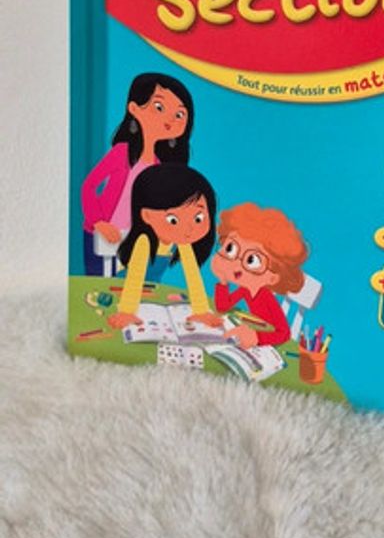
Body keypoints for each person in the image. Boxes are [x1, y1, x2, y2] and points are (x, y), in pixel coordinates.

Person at [80, 72, 194, 276]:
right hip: (104, 234)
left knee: (136, 287)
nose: (170, 119)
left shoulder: (161, 167)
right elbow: (89, 186)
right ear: (134, 108)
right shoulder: (121, 153)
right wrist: (98, 222)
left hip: (137, 239)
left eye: (179, 114)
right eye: (159, 107)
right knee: (100, 285)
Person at [108, 164, 220, 330]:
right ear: (147, 215)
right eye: (173, 220)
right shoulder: (144, 242)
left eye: (198, 218)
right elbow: (134, 278)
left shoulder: (181, 242)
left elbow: (192, 274)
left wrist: (202, 310)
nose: (189, 229)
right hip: (123, 289)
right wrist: (126, 311)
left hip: (150, 290)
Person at [212, 202, 308, 349]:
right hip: (250, 335)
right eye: (230, 249)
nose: (236, 265)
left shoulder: (266, 297)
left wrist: (257, 338)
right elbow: (222, 307)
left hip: (269, 346)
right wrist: (223, 282)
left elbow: (284, 333)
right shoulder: (245, 289)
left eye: (252, 260)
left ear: (273, 278)